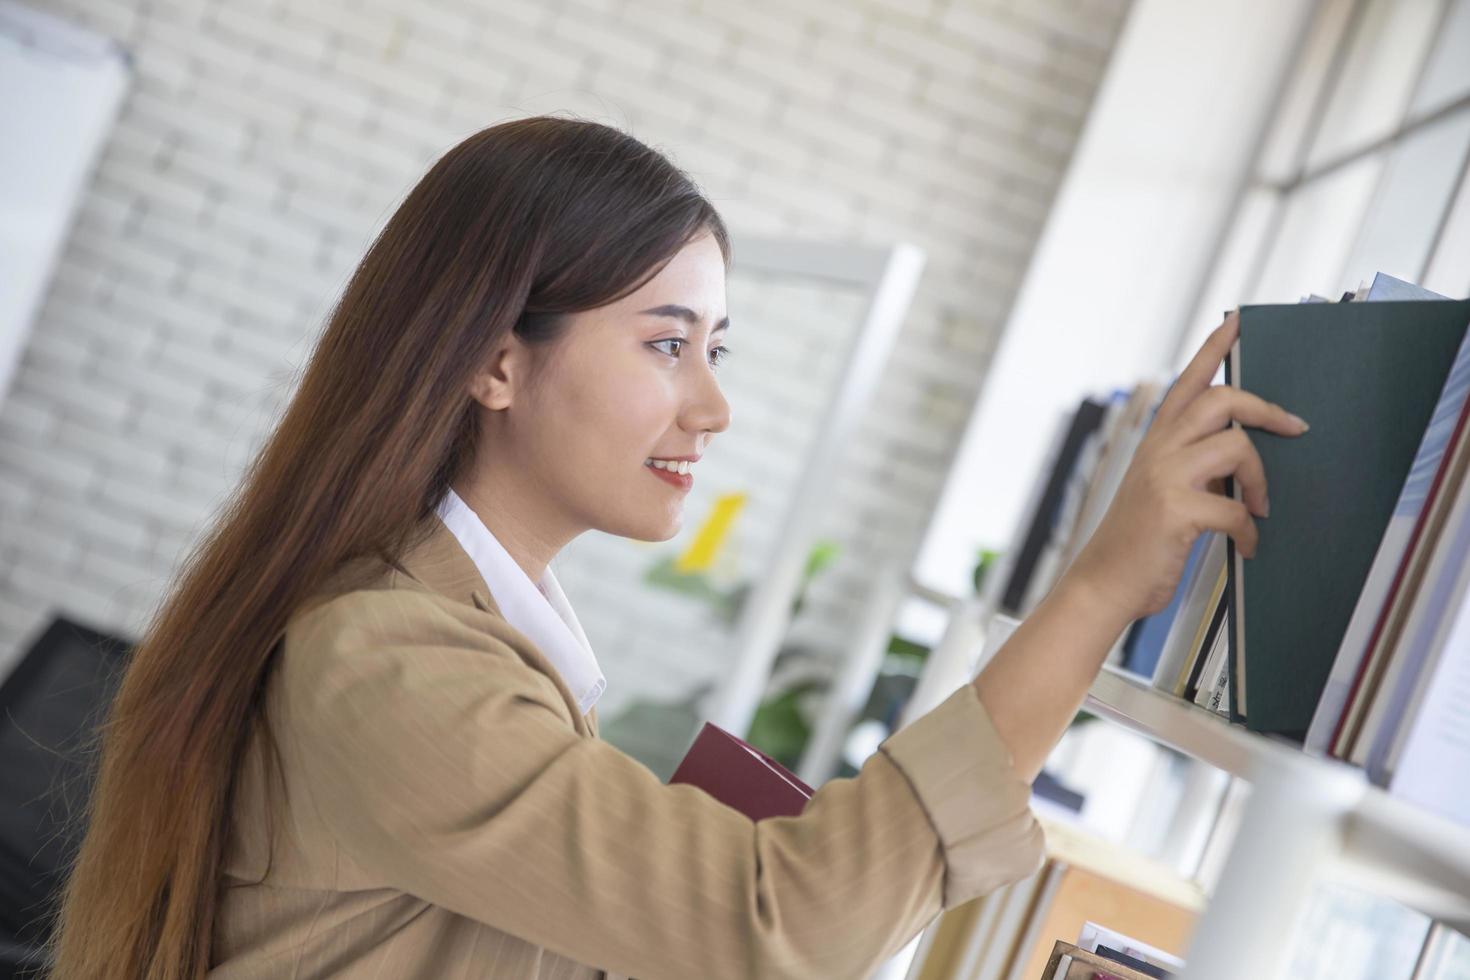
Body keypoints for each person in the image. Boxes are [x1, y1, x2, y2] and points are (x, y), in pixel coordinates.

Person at [43, 116, 1306, 980]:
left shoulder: (456, 635)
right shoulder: (390, 662)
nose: (713, 406)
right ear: (494, 356)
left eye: (718, 348)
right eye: (665, 342)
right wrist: (1095, 594)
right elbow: (781, 918)